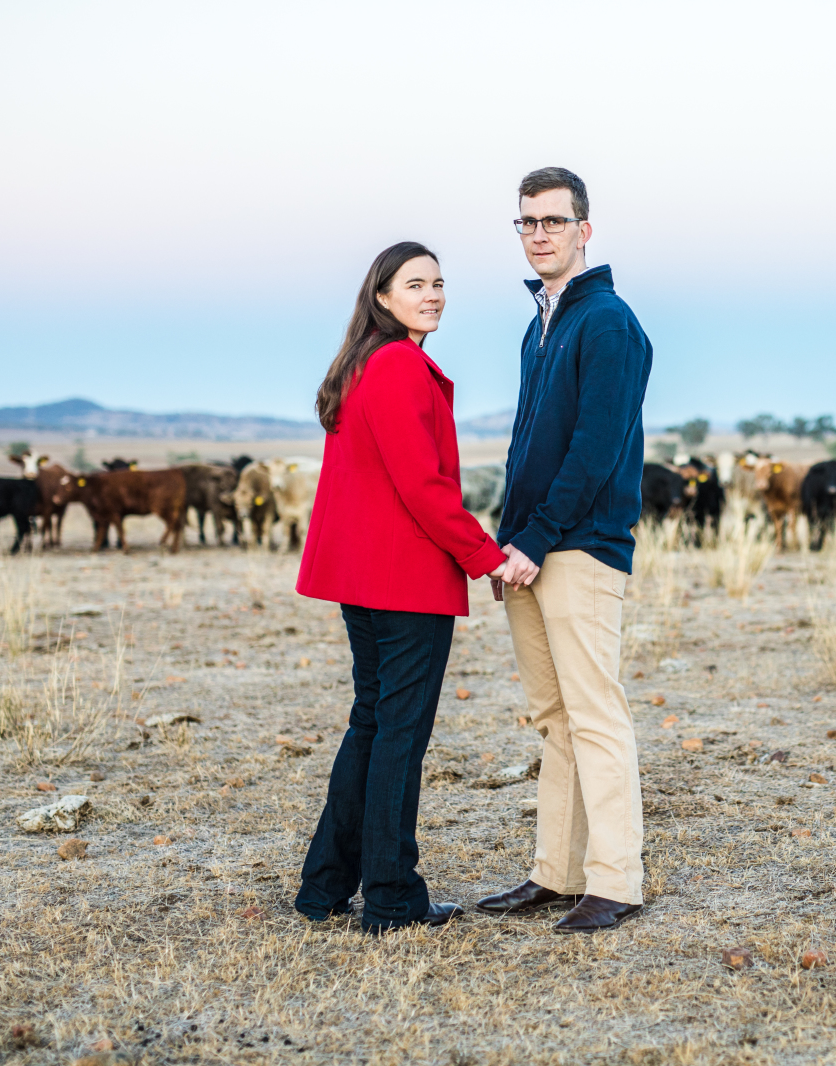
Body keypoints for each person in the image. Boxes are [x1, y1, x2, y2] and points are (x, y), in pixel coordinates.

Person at [294, 241, 512, 933]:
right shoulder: (396, 366)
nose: (433, 295)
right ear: (382, 296)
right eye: (415, 284)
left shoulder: (363, 364)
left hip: (366, 577)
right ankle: (390, 899)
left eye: (439, 283)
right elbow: (423, 486)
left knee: (372, 723)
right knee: (398, 735)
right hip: (402, 580)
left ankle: (325, 887)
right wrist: (486, 557)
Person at [475, 168, 653, 933]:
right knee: (554, 718)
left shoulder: (607, 322)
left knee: (594, 712)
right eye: (527, 222)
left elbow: (595, 448)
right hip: (530, 551)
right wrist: (507, 543)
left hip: (580, 547)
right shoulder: (541, 324)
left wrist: (539, 537)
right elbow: (528, 444)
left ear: (585, 229)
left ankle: (616, 881)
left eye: (553, 220)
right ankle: (557, 873)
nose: (539, 234)